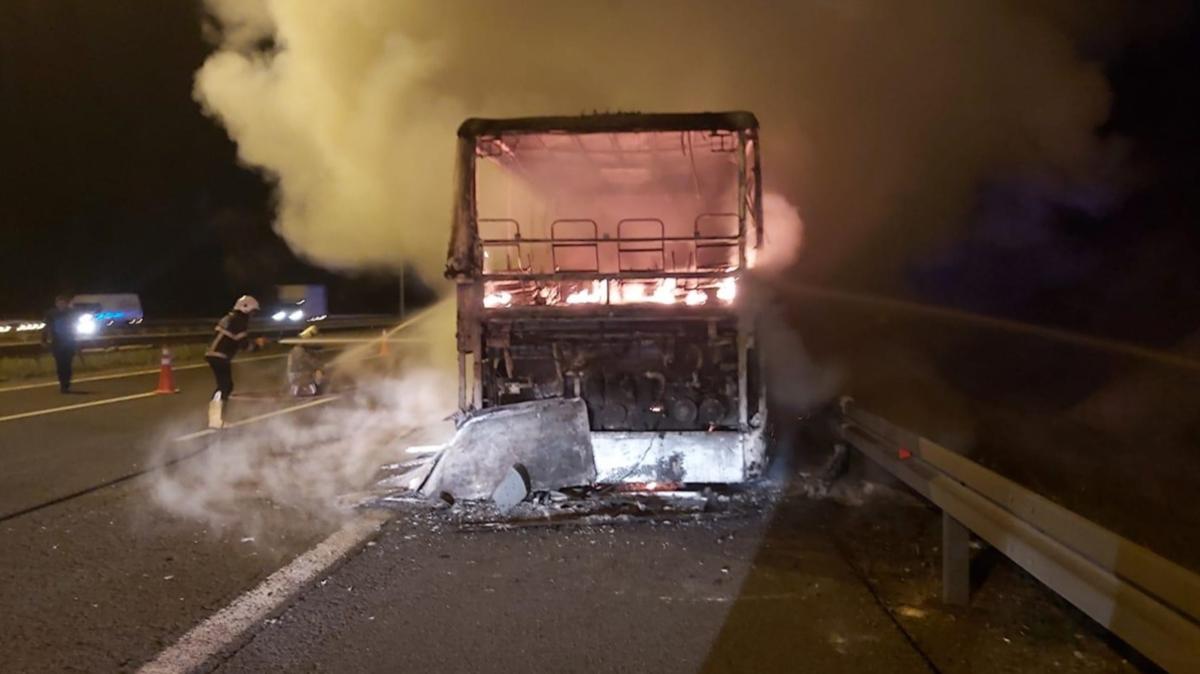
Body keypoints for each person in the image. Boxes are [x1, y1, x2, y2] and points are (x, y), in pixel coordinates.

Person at [205, 295, 259, 428]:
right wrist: (258, 344)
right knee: (224, 386)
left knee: (226, 385)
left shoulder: (231, 318)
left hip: (215, 354)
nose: (253, 316)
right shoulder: (238, 321)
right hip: (219, 355)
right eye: (253, 312)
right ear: (245, 308)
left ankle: (217, 418)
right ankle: (215, 420)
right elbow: (245, 345)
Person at [42, 294, 79, 393]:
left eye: (63, 303)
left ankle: (66, 383)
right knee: (60, 364)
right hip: (57, 342)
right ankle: (63, 384)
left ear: (66, 304)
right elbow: (46, 327)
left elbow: (75, 327)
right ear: (56, 304)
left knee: (67, 364)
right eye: (59, 303)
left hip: (69, 342)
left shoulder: (71, 313)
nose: (61, 304)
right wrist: (44, 339)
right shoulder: (51, 314)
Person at [287, 325, 326, 397]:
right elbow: (307, 361)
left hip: (299, 374)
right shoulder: (298, 350)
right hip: (299, 374)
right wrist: (318, 368)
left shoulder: (303, 349)